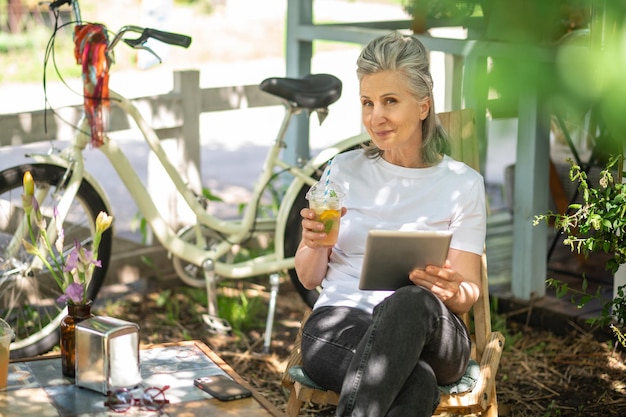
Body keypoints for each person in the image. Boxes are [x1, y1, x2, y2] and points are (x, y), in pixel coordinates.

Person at [294, 31, 486, 417]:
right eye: (367, 103)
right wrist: (313, 244)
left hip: (434, 332)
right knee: (417, 384)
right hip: (341, 322)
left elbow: (468, 293)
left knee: (410, 300)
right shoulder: (342, 171)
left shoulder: (462, 184)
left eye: (390, 101)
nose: (375, 117)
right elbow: (310, 279)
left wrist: (451, 290)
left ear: (422, 106)